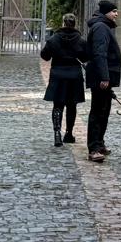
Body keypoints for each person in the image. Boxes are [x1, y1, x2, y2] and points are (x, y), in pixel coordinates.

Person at [39, 12, 87, 146]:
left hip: (58, 75)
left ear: (63, 23)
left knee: (58, 105)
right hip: (74, 76)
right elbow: (86, 57)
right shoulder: (81, 41)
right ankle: (69, 133)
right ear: (75, 24)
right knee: (72, 106)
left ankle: (57, 133)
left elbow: (45, 56)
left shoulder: (53, 39)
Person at [85, 0, 121, 162]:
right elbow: (100, 53)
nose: (116, 14)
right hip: (100, 78)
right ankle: (93, 148)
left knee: (104, 111)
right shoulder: (100, 27)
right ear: (106, 12)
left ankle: (99, 143)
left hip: (104, 77)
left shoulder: (103, 26)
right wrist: (104, 76)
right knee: (98, 112)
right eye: (114, 11)